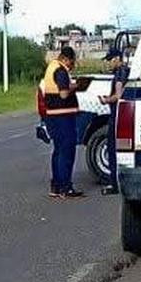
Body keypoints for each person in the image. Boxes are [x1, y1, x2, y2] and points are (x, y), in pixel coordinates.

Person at [42, 46, 83, 198]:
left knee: (58, 151)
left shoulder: (51, 67)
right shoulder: (60, 70)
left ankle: (56, 186)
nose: (73, 65)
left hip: (53, 116)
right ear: (66, 59)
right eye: (72, 62)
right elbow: (64, 94)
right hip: (63, 116)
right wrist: (75, 86)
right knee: (66, 152)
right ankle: (66, 187)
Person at [99, 48, 129, 196]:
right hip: (123, 115)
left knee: (112, 150)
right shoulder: (127, 71)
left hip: (117, 115)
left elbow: (118, 95)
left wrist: (105, 100)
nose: (109, 63)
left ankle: (114, 184)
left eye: (110, 60)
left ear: (117, 58)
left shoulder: (120, 73)